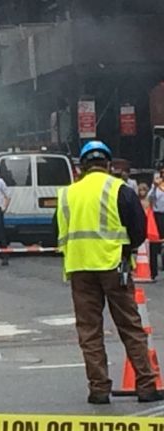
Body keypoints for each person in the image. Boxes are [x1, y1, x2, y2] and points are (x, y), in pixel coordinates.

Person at [56, 141, 163, 405]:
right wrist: (125, 249)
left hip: (79, 269)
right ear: (107, 164)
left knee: (90, 331)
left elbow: (58, 232)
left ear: (81, 167)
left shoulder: (67, 194)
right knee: (130, 326)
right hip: (114, 265)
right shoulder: (120, 189)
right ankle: (147, 385)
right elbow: (138, 229)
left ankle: (99, 389)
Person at [147, 169, 164, 282]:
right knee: (154, 244)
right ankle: (153, 272)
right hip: (157, 216)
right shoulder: (157, 187)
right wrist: (154, 187)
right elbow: (150, 199)